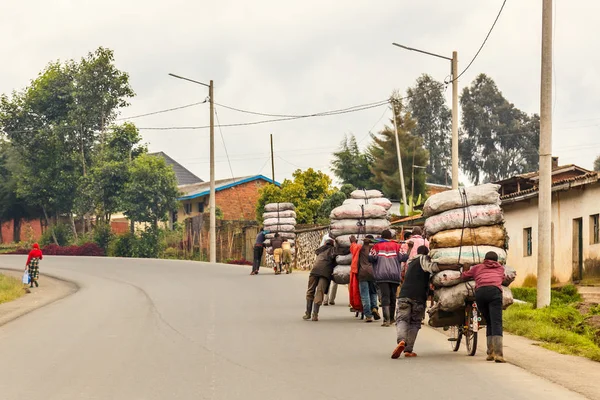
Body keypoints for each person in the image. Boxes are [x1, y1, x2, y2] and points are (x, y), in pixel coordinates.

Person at [461, 251, 507, 363]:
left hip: (480, 293)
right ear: (496, 260)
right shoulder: (500, 268)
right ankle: (498, 354)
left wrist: (465, 271)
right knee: (496, 322)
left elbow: (464, 276)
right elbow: (504, 278)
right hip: (495, 292)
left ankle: (490, 353)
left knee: (489, 321)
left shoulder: (477, 268)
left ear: (485, 259)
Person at [391, 246, 433, 359]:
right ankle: (408, 350)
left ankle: (401, 341)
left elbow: (402, 274)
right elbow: (432, 272)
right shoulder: (425, 260)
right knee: (415, 323)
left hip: (404, 295)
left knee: (401, 319)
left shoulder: (410, 261)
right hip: (419, 297)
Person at [369, 230, 408, 327]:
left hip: (382, 276)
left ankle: (386, 320)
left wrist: (369, 247)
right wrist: (410, 248)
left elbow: (371, 258)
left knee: (385, 296)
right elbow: (403, 258)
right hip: (394, 275)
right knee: (393, 296)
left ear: (381, 237)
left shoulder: (376, 246)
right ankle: (391, 318)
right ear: (391, 237)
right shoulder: (397, 246)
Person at [303, 239, 337, 321]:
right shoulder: (334, 251)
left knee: (310, 291)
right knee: (320, 291)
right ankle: (315, 314)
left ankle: (307, 313)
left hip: (314, 271)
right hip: (325, 273)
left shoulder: (320, 250)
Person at [353, 235, 380, 323]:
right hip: (373, 273)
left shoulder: (361, 249)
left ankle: (368, 315)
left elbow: (354, 251)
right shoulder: (375, 249)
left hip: (363, 273)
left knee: (365, 294)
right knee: (373, 292)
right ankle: (374, 308)